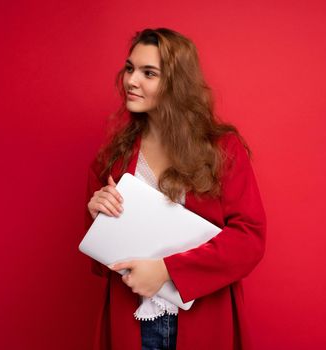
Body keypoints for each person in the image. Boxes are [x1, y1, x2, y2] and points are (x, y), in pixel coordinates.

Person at [84, 28, 266, 350]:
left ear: (175, 83)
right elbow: (100, 264)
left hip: (203, 319)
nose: (131, 81)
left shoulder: (222, 149)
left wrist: (167, 271)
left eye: (148, 73)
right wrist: (97, 216)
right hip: (131, 321)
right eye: (129, 68)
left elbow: (249, 239)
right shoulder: (114, 155)